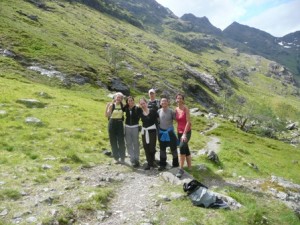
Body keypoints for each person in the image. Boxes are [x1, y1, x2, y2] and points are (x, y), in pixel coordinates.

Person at [157, 97, 179, 171]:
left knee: (173, 148)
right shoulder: (158, 111)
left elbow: (176, 119)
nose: (164, 103)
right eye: (162, 101)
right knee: (162, 149)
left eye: (165, 101)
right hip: (162, 132)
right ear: (160, 103)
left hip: (170, 133)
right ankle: (162, 164)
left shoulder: (171, 111)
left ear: (168, 102)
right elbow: (157, 121)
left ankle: (175, 164)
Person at [175, 93, 192, 178]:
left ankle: (181, 169)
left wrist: (184, 134)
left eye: (181, 98)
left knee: (181, 147)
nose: (179, 100)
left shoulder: (186, 109)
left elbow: (188, 122)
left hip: (186, 132)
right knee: (186, 148)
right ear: (176, 100)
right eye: (178, 98)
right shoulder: (176, 109)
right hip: (179, 132)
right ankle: (190, 167)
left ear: (183, 100)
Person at [106, 93, 126, 164]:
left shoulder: (122, 105)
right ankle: (116, 158)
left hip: (120, 123)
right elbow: (107, 115)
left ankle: (122, 157)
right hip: (112, 123)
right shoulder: (112, 105)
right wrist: (108, 108)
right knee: (113, 141)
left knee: (121, 141)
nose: (119, 99)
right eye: (118, 97)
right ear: (115, 98)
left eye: (120, 98)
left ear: (121, 99)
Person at [139, 97, 158, 170]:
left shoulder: (152, 111)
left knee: (152, 148)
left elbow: (158, 119)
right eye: (141, 104)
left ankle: (153, 161)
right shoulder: (140, 112)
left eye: (143, 103)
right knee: (146, 147)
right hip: (144, 132)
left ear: (146, 103)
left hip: (152, 131)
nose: (143, 105)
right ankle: (149, 163)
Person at [123, 96, 142, 167]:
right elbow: (119, 108)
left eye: (131, 100)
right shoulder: (126, 108)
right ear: (127, 102)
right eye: (129, 101)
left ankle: (137, 159)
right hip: (127, 127)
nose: (130, 102)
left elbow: (142, 114)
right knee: (128, 143)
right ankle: (132, 158)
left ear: (133, 101)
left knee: (136, 143)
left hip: (135, 127)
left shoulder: (137, 108)